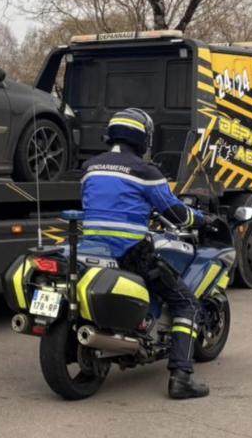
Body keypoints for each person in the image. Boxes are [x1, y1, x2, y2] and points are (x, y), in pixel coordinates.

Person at [78, 107, 213, 400]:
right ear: (142, 138)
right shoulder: (145, 172)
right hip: (130, 252)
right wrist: (201, 220)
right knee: (186, 302)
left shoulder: (90, 167)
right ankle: (181, 377)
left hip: (90, 249)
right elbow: (175, 213)